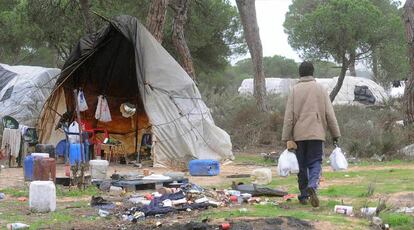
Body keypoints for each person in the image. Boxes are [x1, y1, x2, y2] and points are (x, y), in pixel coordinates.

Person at [281, 61, 341, 207]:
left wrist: (286, 137)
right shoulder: (321, 89)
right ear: (313, 72)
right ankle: (313, 185)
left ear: (299, 73)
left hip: (299, 135)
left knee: (301, 165)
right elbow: (329, 114)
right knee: (315, 162)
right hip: (317, 133)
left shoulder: (294, 90)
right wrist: (335, 134)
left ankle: (303, 195)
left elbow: (289, 116)